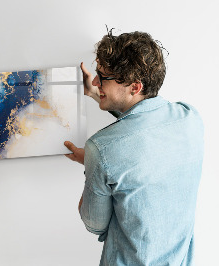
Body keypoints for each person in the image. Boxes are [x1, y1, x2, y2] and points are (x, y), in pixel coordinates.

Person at [64, 30, 204, 265]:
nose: (96, 81)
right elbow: (144, 123)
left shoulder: (101, 149)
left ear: (135, 87)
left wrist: (92, 163)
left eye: (103, 77)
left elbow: (94, 224)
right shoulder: (190, 118)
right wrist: (97, 94)